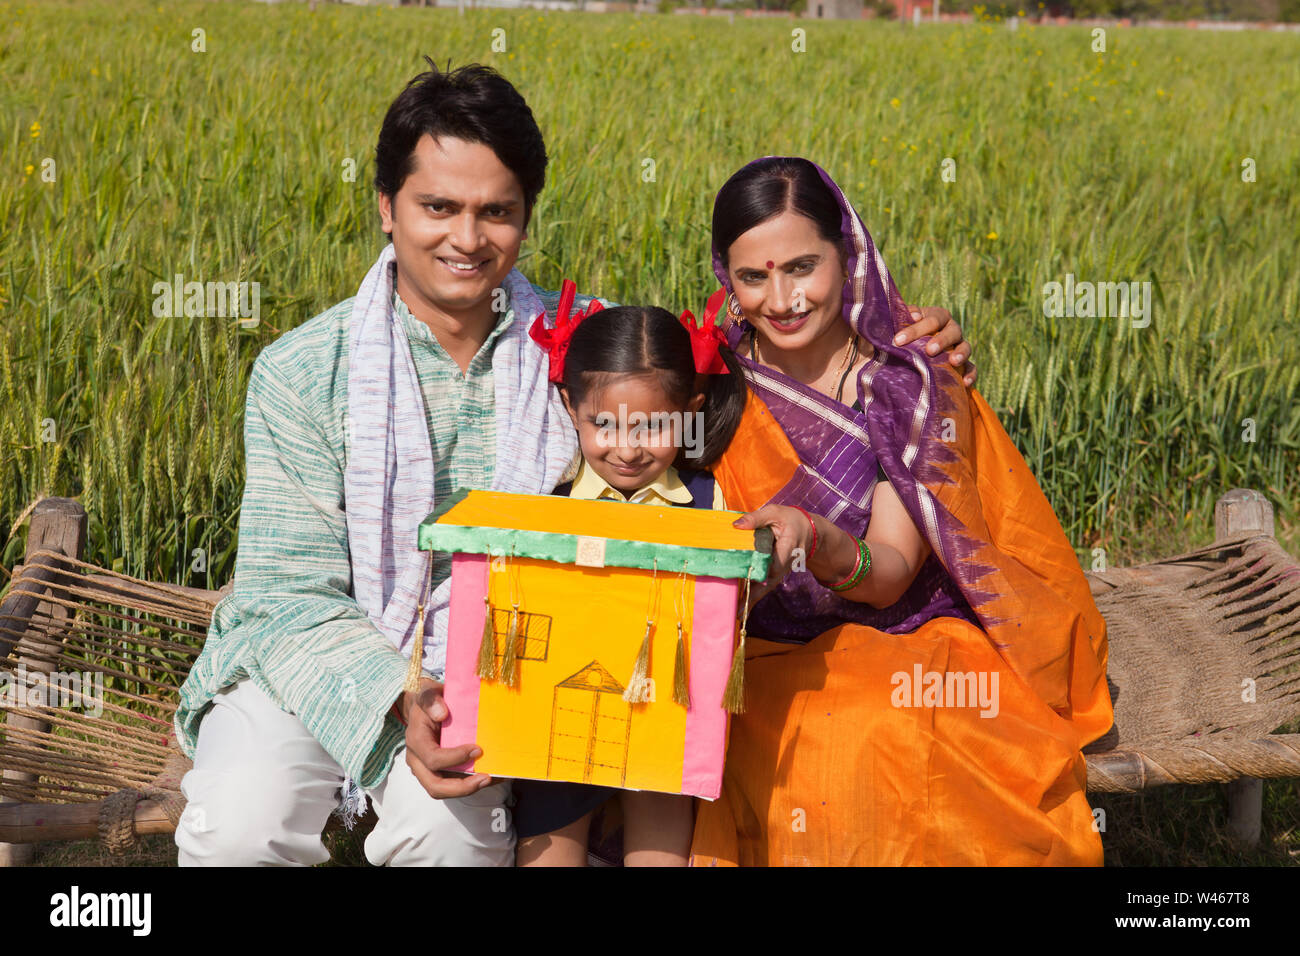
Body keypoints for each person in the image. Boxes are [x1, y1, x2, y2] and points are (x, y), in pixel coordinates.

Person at [172, 61, 975, 866]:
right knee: (238, 827)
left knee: (451, 845)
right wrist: (396, 695)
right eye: (437, 207)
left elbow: (714, 370)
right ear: (386, 206)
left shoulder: (577, 348)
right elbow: (288, 594)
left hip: (504, 674)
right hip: (312, 663)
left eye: (497, 212)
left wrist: (904, 353)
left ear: (527, 217)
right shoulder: (304, 369)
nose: (466, 237)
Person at [687, 157, 1113, 866]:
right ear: (724, 278)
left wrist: (816, 539)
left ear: (847, 256)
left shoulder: (904, 380)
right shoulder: (709, 380)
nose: (782, 298)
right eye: (753, 277)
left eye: (801, 268)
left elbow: (886, 573)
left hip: (902, 633)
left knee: (879, 732)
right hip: (754, 647)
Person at [512, 291, 745, 866]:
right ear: (570, 407)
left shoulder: (709, 507)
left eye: (651, 426)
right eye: (603, 424)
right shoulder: (551, 508)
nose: (627, 448)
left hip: (666, 713)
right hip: (565, 703)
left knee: (662, 827)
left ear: (690, 410)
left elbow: (727, 606)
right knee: (547, 839)